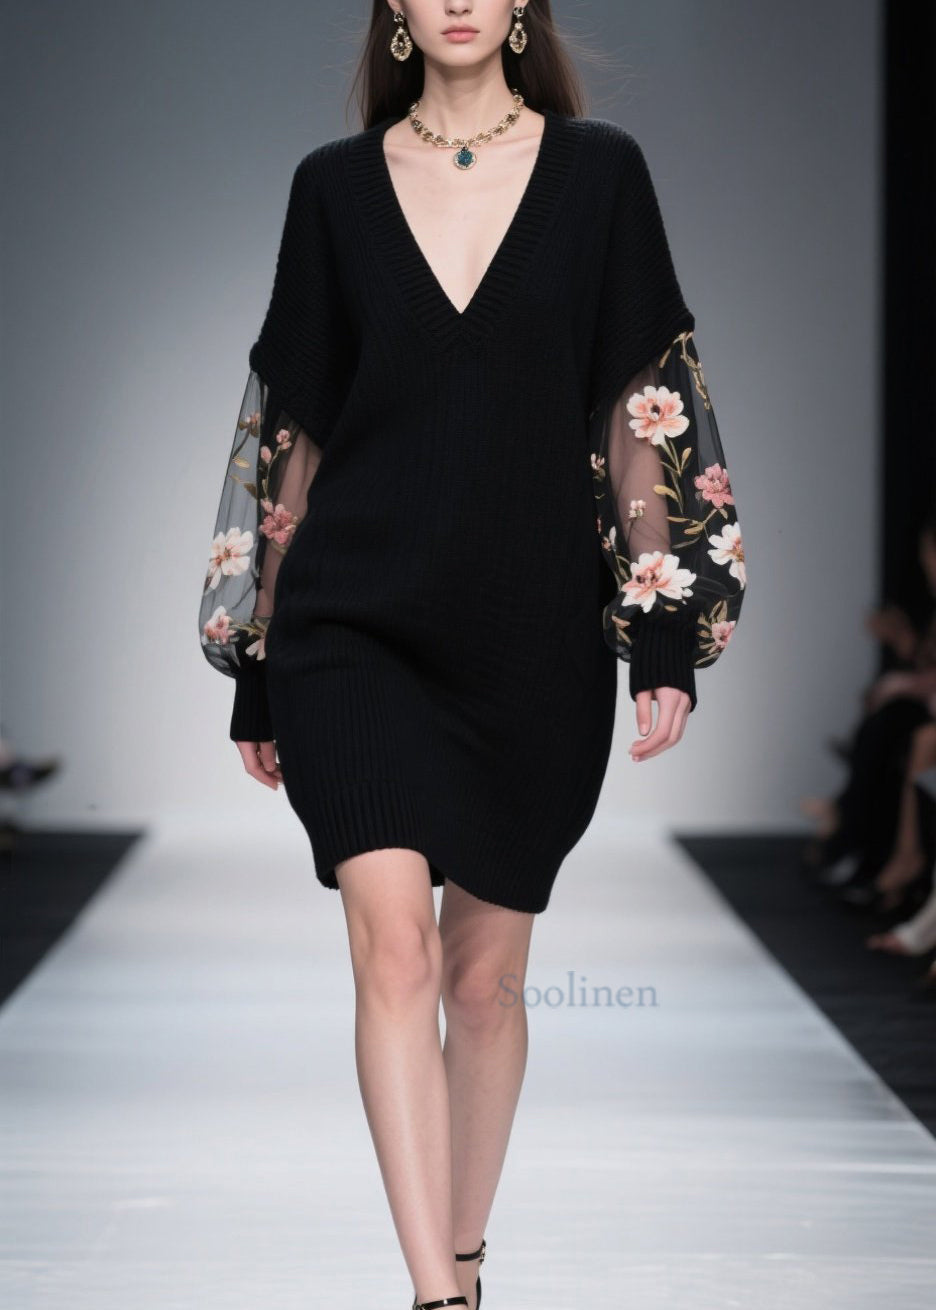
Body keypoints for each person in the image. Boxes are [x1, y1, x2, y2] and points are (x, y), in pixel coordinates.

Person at [198, 4, 746, 1307]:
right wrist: (261, 653)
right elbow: (291, 429)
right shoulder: (333, 190)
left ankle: (465, 1258)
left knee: (484, 981)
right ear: (393, 7)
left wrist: (664, 630)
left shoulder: (600, 175)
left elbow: (643, 405)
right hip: (354, 625)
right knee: (392, 950)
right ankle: (433, 1297)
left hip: (533, 632)